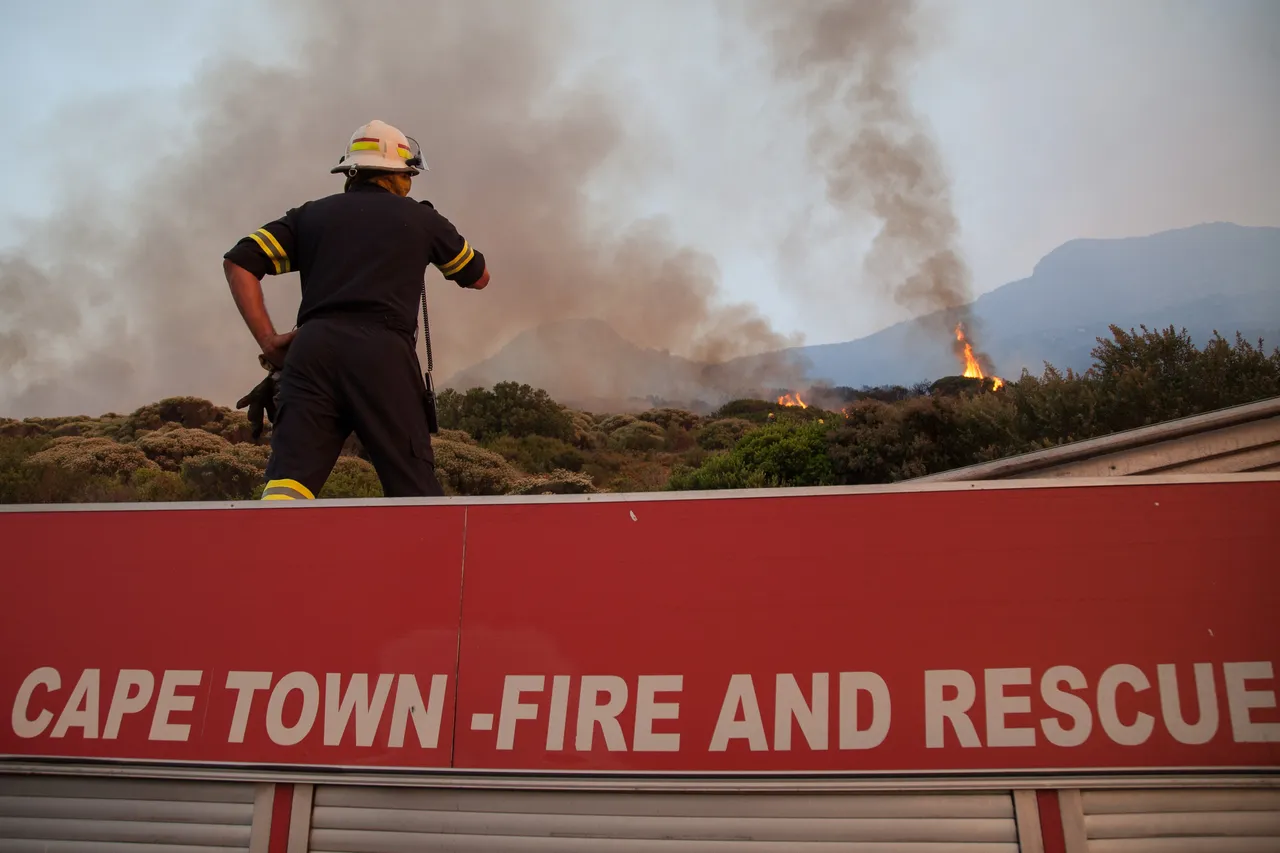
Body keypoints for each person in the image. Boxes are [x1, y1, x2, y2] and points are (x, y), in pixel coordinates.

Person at [222, 119, 489, 501]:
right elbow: (478, 276)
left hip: (311, 351)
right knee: (414, 490)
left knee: (286, 488)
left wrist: (268, 340)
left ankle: (274, 557)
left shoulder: (309, 216)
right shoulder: (422, 219)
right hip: (383, 355)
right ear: (398, 176)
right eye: (409, 175)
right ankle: (423, 559)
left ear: (351, 171)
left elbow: (239, 262)